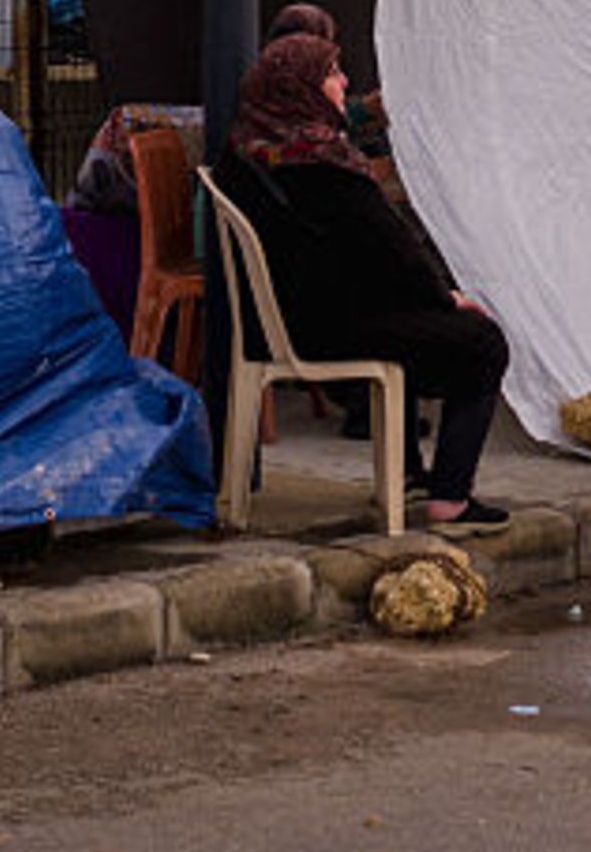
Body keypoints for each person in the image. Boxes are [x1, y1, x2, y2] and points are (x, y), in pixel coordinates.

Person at [211, 33, 509, 528]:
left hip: (283, 319)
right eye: (332, 73)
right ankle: (451, 497)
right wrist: (446, 298)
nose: (344, 82)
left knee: (414, 320)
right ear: (302, 85)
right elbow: (393, 248)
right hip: (329, 329)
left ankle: (408, 472)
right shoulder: (319, 161)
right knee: (483, 341)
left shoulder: (246, 150)